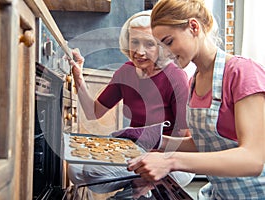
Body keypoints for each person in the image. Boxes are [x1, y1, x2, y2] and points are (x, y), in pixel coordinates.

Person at [127, 0, 265, 199]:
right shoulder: (194, 81)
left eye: (168, 42)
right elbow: (206, 142)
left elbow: (252, 159)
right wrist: (155, 139)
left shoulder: (243, 72)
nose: (163, 54)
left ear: (193, 27)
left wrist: (171, 160)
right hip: (222, 194)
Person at [67, 9, 195, 194]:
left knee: (94, 172)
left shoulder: (175, 77)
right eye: (135, 42)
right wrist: (79, 77)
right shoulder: (126, 72)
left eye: (149, 44)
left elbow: (184, 136)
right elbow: (93, 111)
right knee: (76, 170)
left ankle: (142, 188)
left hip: (173, 157)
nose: (139, 51)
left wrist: (151, 159)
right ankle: (138, 185)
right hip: (135, 150)